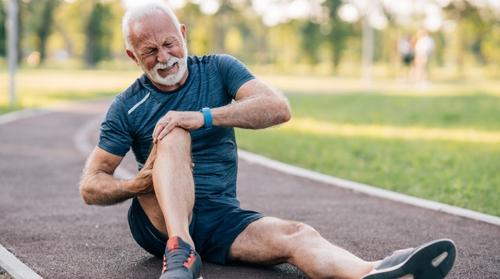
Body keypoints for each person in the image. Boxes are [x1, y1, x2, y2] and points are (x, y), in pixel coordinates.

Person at [79, 2, 456, 279]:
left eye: (170, 43)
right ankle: (180, 251)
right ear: (133, 56)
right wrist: (140, 182)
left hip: (220, 217)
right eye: (150, 51)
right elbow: (91, 184)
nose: (165, 57)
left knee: (297, 234)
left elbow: (277, 107)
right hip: (158, 220)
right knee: (173, 130)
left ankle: (374, 271)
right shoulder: (128, 105)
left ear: (184, 33)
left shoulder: (220, 68)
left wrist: (205, 116)